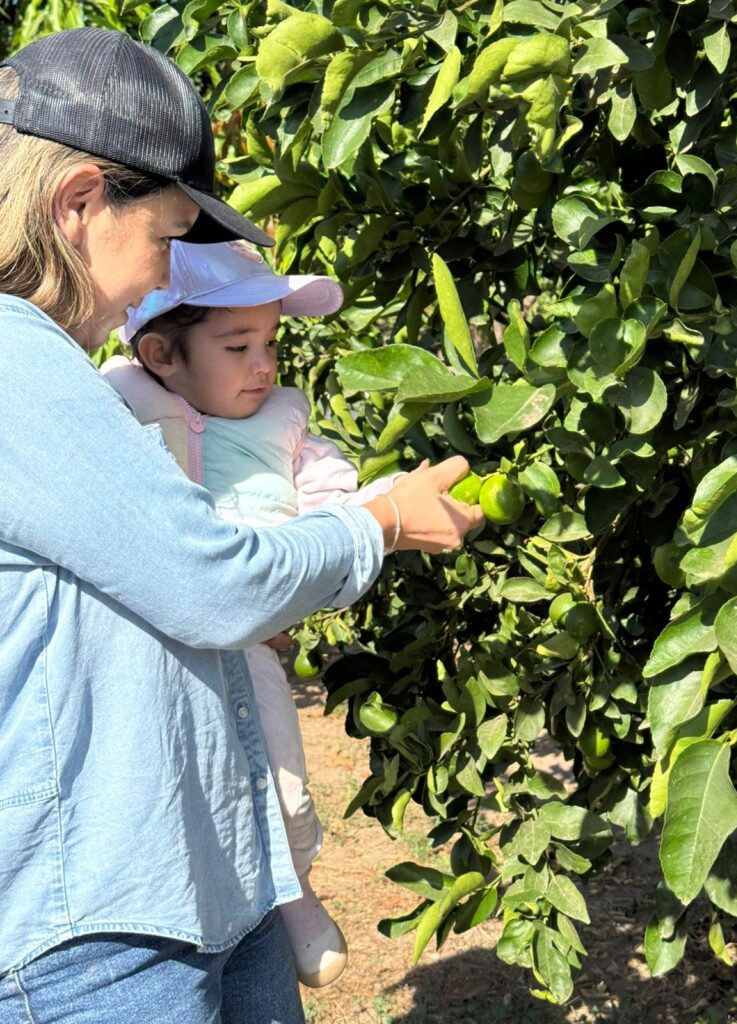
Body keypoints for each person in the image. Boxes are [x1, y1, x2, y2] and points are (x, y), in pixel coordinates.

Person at [0, 26, 483, 1024]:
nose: (161, 280)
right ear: (78, 202)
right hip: (99, 932)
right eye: (166, 240)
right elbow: (210, 581)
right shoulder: (16, 367)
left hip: (201, 879)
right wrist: (378, 523)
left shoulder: (49, 367)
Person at [101, 239, 404, 990]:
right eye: (238, 347)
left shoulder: (284, 423)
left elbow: (336, 497)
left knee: (283, 780)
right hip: (148, 647)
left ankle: (294, 891)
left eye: (270, 342)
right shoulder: (115, 409)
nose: (264, 365)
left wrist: (371, 516)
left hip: (253, 642)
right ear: (161, 355)